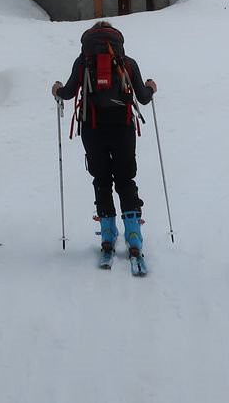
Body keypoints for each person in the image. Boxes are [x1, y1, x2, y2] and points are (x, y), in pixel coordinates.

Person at [52, 21, 157, 258]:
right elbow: (143, 96)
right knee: (125, 178)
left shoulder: (84, 62)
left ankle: (108, 234)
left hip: (93, 128)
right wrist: (151, 87)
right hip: (123, 128)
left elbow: (67, 93)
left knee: (101, 178)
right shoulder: (127, 63)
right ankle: (132, 235)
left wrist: (56, 89)